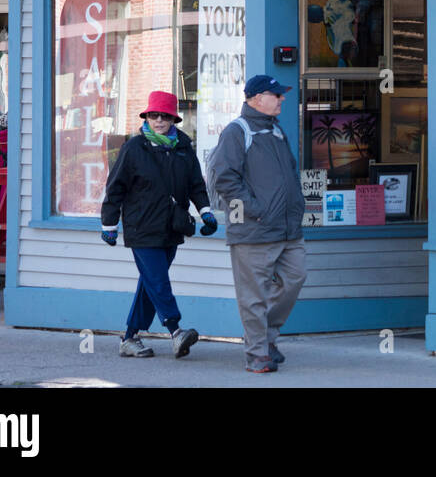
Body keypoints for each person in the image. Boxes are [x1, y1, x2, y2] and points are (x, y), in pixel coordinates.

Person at [100, 90, 216, 359]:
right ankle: (175, 331)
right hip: (141, 228)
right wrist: (109, 225)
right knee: (158, 281)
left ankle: (129, 338)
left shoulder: (184, 149)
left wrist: (206, 212)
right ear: (147, 117)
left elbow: (196, 185)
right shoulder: (133, 148)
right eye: (154, 115)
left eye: (165, 116)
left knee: (150, 284)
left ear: (174, 119)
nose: (159, 120)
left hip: (172, 227)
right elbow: (115, 188)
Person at [211, 74, 307, 373]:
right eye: (275, 95)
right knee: (253, 294)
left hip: (288, 228)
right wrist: (255, 209)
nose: (282, 99)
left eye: (281, 95)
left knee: (295, 278)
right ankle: (257, 353)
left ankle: (266, 337)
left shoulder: (276, 130)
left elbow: (290, 174)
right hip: (254, 228)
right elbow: (223, 177)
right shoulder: (236, 132)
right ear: (255, 98)